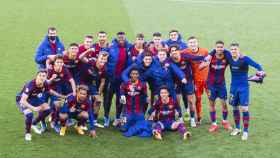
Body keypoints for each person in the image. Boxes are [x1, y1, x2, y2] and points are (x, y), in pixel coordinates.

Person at [226, 42, 265, 140]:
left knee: (244, 109)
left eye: (235, 49)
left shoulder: (245, 59)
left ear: (239, 50)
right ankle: (237, 128)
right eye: (232, 49)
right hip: (233, 87)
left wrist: (260, 73)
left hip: (244, 87)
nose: (233, 51)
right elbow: (218, 51)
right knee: (234, 107)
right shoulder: (229, 57)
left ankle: (245, 131)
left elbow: (258, 66)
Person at [16, 70, 64, 141]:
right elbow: (23, 100)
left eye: (43, 76)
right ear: (36, 76)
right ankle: (28, 133)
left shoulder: (45, 83)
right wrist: (34, 108)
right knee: (29, 115)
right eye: (40, 75)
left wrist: (61, 96)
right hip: (22, 100)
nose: (41, 77)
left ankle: (34, 123)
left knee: (48, 109)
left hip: (33, 98)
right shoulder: (30, 85)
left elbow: (50, 91)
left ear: (46, 77)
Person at [103, 32, 132, 127]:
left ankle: (117, 118)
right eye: (119, 38)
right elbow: (102, 56)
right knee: (108, 98)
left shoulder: (129, 47)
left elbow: (140, 46)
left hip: (122, 79)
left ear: (125, 38)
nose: (121, 39)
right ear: (117, 38)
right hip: (111, 78)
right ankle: (106, 117)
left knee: (120, 99)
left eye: (122, 38)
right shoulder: (111, 47)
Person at [181, 36, 209, 124]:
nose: (192, 44)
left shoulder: (204, 51)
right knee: (198, 99)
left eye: (194, 42)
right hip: (196, 80)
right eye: (190, 43)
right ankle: (199, 117)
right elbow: (175, 53)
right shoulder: (185, 52)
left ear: (197, 43)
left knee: (211, 98)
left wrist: (204, 65)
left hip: (207, 80)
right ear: (188, 44)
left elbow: (209, 61)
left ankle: (214, 120)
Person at [120, 68, 151, 137]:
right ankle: (126, 120)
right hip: (127, 111)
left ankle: (136, 123)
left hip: (138, 111)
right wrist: (122, 97)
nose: (134, 75)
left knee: (144, 126)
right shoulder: (124, 84)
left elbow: (145, 96)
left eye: (136, 74)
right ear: (130, 75)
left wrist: (147, 99)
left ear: (138, 75)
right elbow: (121, 93)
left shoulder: (142, 84)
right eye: (133, 74)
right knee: (123, 129)